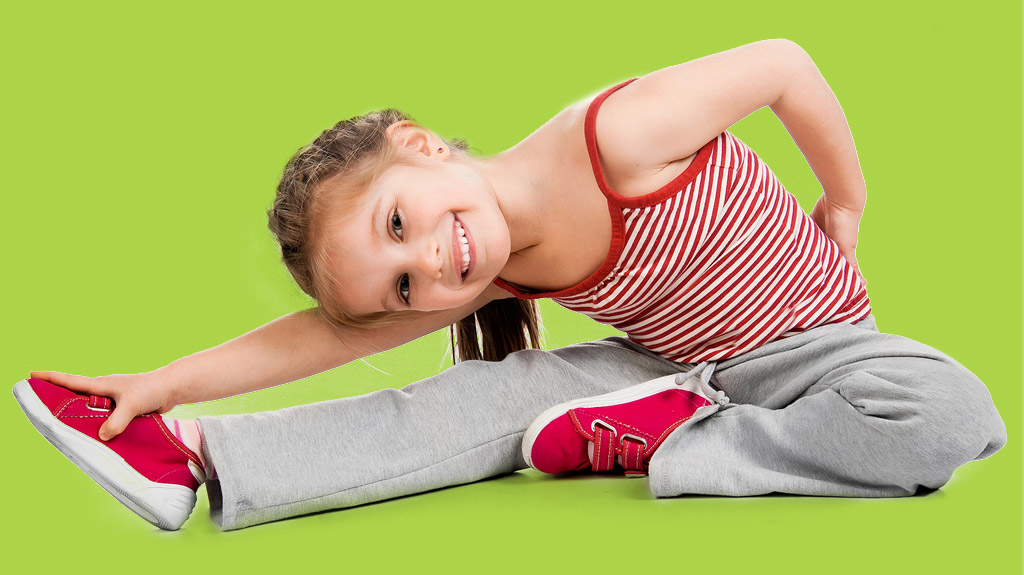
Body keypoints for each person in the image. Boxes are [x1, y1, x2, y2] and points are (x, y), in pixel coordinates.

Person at [13, 39, 1006, 531]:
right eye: (404, 286)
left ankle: (678, 436)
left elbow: (783, 65)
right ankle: (194, 460)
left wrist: (845, 202)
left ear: (420, 145)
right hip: (660, 367)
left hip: (814, 349)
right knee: (477, 400)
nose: (431, 262)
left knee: (950, 413)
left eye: (397, 223)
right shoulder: (481, 273)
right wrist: (162, 388)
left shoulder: (618, 138)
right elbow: (322, 336)